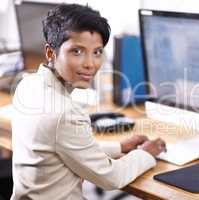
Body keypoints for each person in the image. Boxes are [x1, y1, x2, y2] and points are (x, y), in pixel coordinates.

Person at [10, 4, 166, 200]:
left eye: (97, 52)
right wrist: (146, 153)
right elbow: (112, 177)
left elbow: (63, 147)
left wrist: (120, 147)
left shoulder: (27, 84)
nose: (90, 64)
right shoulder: (65, 113)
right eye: (77, 51)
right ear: (51, 53)